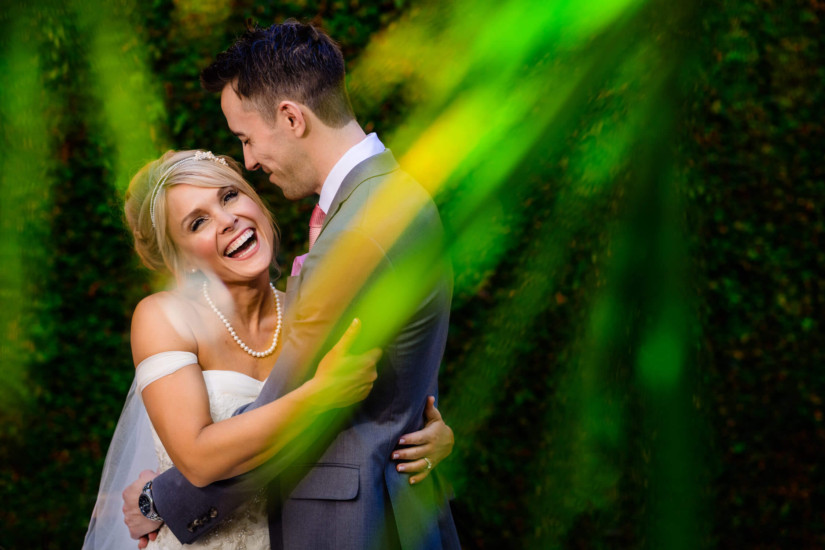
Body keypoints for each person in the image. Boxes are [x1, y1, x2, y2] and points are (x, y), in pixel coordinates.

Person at [123, 20, 460, 549]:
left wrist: (160, 502)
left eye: (246, 140)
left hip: (351, 525)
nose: (251, 161)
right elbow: (385, 374)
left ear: (291, 117)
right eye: (195, 222)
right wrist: (415, 419)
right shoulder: (390, 199)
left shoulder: (357, 231)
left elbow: (304, 411)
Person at [83, 150, 455, 549]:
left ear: (255, 201)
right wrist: (318, 396)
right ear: (184, 260)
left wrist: (430, 435)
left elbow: (371, 410)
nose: (227, 220)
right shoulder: (165, 317)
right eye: (198, 222)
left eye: (229, 196)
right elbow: (197, 457)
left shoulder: (310, 309)